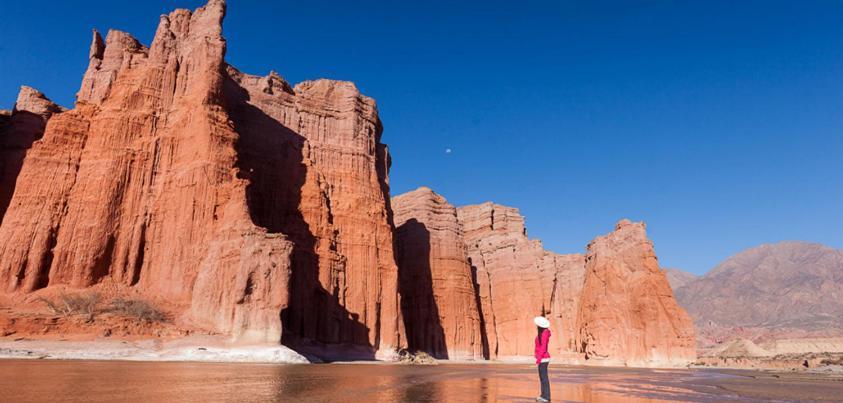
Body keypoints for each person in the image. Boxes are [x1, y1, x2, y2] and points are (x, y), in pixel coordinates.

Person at [534, 316, 551, 402]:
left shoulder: (544, 333)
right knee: (542, 378)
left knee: (544, 378)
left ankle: (546, 397)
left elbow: (543, 347)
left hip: (543, 358)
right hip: (542, 358)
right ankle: (543, 395)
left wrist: (539, 359)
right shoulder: (542, 333)